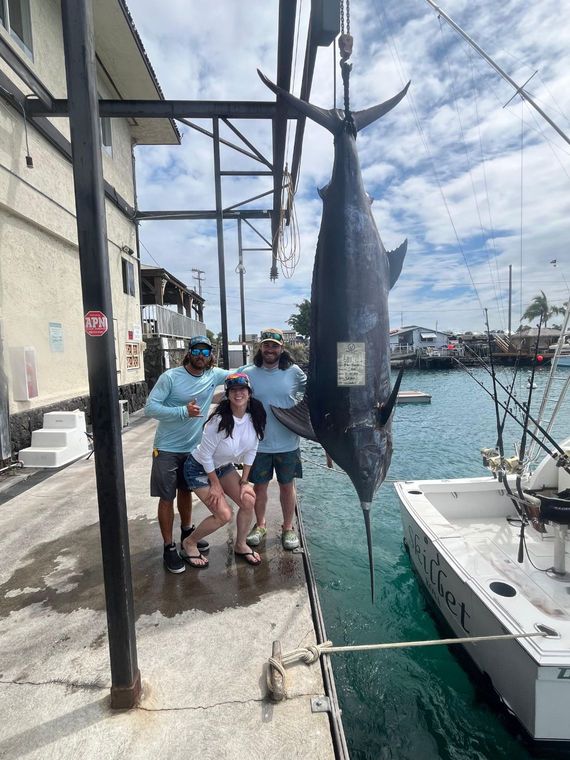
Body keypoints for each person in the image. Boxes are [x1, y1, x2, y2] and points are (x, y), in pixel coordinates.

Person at [145, 335, 230, 573]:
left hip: (192, 449)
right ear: (189, 352)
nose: (201, 356)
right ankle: (168, 547)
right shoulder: (170, 377)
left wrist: (271, 363)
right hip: (167, 449)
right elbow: (150, 407)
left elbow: (240, 373)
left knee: (185, 491)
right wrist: (182, 411)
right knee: (166, 497)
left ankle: (186, 532)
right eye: (197, 351)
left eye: (206, 352)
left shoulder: (212, 375)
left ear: (211, 355)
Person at [181, 372, 266, 566]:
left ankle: (241, 544)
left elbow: (252, 450)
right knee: (224, 515)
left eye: (242, 389)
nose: (238, 393)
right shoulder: (218, 421)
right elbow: (204, 456)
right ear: (227, 395)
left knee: (248, 499)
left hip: (222, 467)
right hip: (199, 469)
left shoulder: (255, 419)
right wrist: (215, 484)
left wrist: (244, 481)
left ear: (249, 392)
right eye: (233, 390)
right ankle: (190, 542)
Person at [241, 328, 307, 550]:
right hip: (258, 444)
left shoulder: (295, 372)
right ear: (261, 347)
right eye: (266, 345)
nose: (270, 349)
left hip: (288, 443)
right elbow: (230, 390)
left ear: (282, 348)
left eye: (275, 345)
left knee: (287, 487)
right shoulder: (248, 372)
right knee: (259, 488)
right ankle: (260, 525)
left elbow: (315, 394)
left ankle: (288, 528)